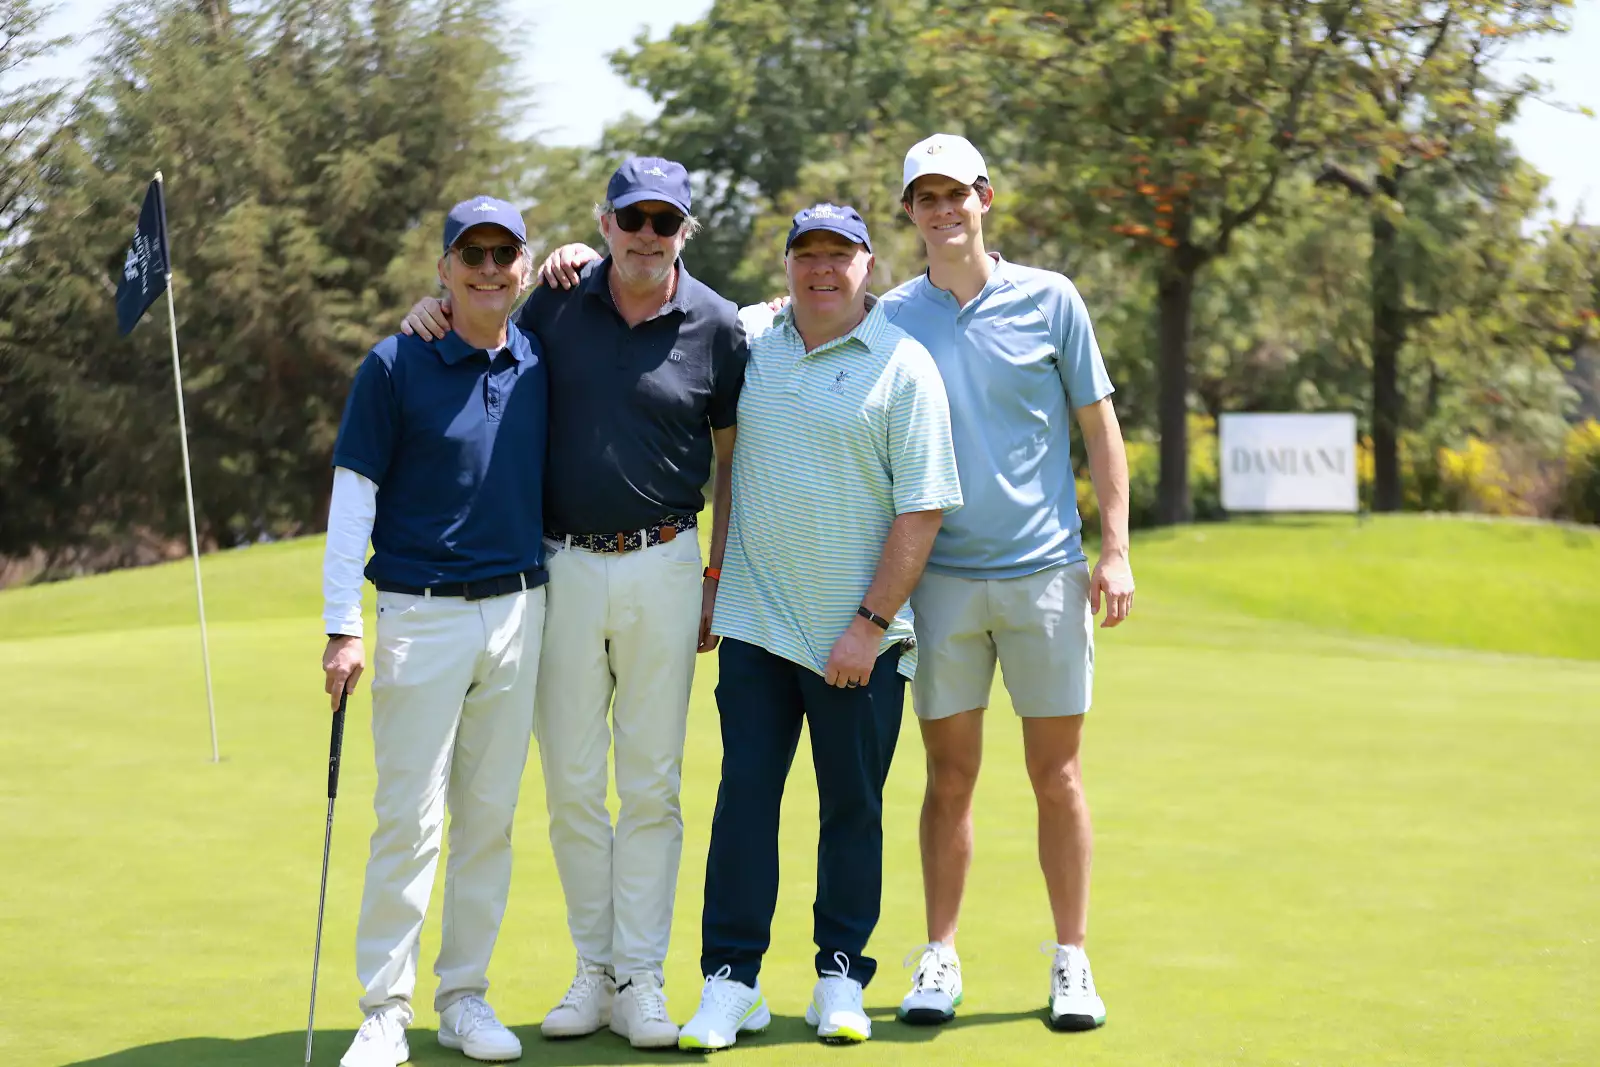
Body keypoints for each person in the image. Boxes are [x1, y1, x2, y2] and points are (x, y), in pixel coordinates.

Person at [400, 158, 746, 1049]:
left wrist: (717, 575)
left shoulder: (716, 324)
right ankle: (594, 968)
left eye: (665, 224)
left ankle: (641, 976)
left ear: (684, 234)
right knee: (574, 784)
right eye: (633, 220)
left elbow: (733, 458)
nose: (647, 237)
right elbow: (474, 311)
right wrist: (426, 309)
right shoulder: (553, 298)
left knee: (653, 783)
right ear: (604, 222)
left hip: (666, 564)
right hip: (558, 567)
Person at [671, 204, 962, 1050]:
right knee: (744, 803)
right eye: (808, 254)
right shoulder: (752, 341)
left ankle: (840, 976)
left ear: (869, 264)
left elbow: (922, 509)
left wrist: (868, 625)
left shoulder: (904, 366)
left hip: (859, 639)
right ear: (788, 263)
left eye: (840, 255)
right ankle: (732, 981)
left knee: (852, 810)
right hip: (757, 625)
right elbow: (675, 300)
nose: (822, 270)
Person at [883, 134, 1134, 1033]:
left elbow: (1099, 428)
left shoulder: (1051, 299)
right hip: (940, 582)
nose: (943, 210)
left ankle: (1072, 958)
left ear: (985, 196)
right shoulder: (892, 315)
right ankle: (940, 955)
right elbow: (795, 323)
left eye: (957, 193)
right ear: (908, 212)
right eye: (925, 197)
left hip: (1045, 575)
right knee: (948, 778)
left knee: (1055, 773)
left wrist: (1115, 548)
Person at [321, 196, 546, 1066]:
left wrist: (567, 248)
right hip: (419, 611)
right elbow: (353, 499)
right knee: (407, 822)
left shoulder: (538, 354)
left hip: (521, 609)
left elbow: (621, 268)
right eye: (473, 254)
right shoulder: (393, 363)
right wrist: (343, 623)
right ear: (445, 268)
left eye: (506, 253)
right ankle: (385, 1008)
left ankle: (464, 996)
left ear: (523, 266)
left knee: (488, 821)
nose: (490, 268)